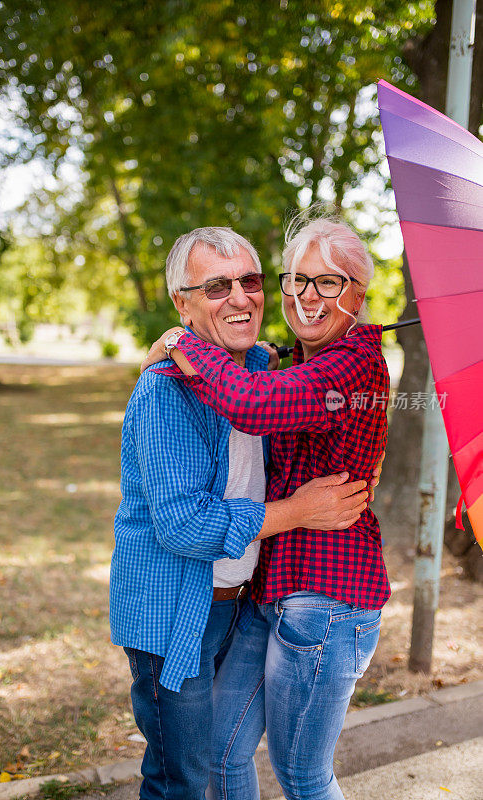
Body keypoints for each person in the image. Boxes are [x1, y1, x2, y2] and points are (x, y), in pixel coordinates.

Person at [110, 226, 372, 800]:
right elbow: (184, 527)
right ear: (182, 302)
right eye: (216, 286)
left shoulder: (261, 368)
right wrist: (297, 511)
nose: (240, 297)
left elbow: (300, 404)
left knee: (220, 758)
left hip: (244, 602)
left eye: (249, 281)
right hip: (178, 610)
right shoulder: (165, 392)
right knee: (184, 776)